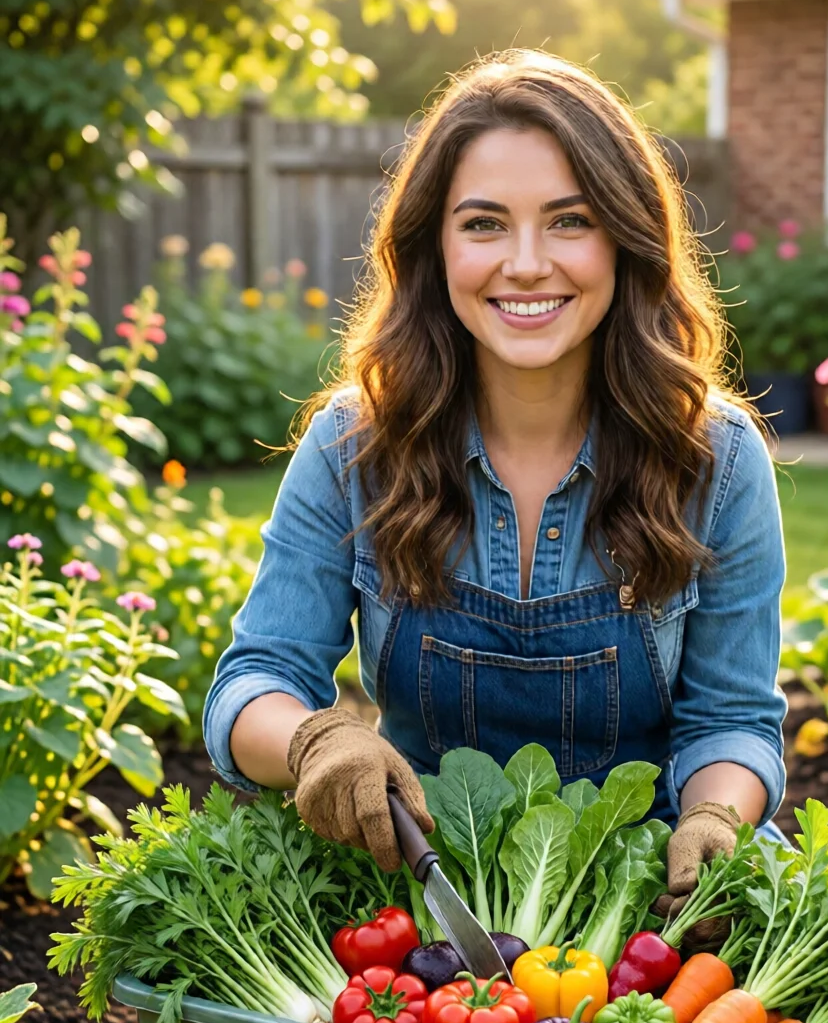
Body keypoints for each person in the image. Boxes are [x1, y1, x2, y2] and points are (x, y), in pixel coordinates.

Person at [203, 49, 787, 916]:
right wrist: (316, 742)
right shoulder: (353, 444)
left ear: (625, 240)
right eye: (483, 224)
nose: (524, 263)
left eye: (568, 221)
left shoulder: (718, 459)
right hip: (422, 887)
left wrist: (712, 818)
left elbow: (734, 719)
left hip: (655, 894)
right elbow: (254, 681)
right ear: (434, 246)